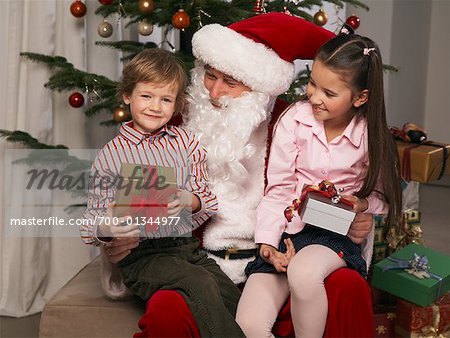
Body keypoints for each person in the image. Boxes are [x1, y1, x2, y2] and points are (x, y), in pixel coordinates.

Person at [101, 13, 376, 337]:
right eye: (209, 76)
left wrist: (359, 219)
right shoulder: (172, 123)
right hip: (198, 264)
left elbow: (338, 186)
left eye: (230, 82)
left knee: (344, 286)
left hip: (278, 263)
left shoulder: (295, 125)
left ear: (260, 87)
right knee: (168, 311)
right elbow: (128, 204)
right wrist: (115, 239)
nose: (214, 93)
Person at [236, 32, 402, 337]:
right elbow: (279, 188)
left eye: (328, 92)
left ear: (360, 97)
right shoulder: (295, 119)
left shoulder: (369, 136)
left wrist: (361, 205)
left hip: (332, 234)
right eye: (312, 83)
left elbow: (383, 197)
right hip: (289, 229)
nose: (314, 97)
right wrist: (268, 245)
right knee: (248, 323)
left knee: (303, 273)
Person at [81, 48, 246, 337]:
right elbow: (89, 224)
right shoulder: (112, 155)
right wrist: (109, 226)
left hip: (184, 248)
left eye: (166, 99)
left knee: (229, 293)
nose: (156, 107)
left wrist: (188, 200)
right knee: (198, 282)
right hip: (141, 256)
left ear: (178, 104)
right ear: (127, 95)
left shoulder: (185, 143)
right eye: (147, 96)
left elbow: (206, 201)